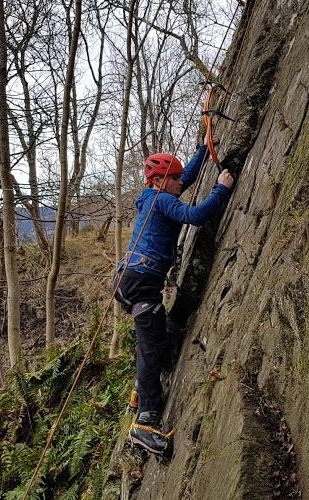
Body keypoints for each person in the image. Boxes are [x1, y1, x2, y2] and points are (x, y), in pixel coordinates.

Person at [115, 144, 234, 455]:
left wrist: (203, 152)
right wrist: (221, 190)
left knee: (152, 340)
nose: (180, 181)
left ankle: (141, 390)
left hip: (132, 279)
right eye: (174, 177)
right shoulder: (162, 199)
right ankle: (145, 423)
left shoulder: (152, 198)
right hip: (141, 280)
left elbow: (184, 180)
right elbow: (194, 216)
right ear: (158, 180)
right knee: (153, 346)